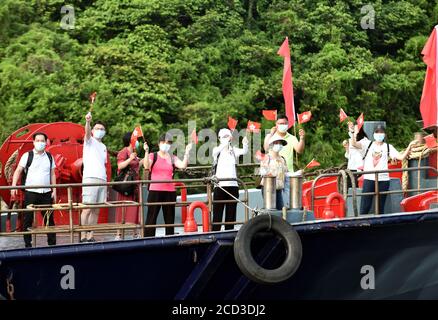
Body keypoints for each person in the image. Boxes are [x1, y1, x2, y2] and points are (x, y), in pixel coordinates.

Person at [351, 124, 414, 215]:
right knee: (365, 205)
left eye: (381, 132)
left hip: (383, 179)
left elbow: (401, 157)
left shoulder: (388, 147)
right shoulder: (367, 144)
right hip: (369, 178)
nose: (379, 134)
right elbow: (354, 144)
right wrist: (353, 132)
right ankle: (361, 223)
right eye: (377, 132)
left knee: (380, 206)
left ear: (384, 134)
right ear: (373, 134)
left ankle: (379, 223)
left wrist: (409, 146)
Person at [11, 132, 57, 248]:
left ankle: (52, 244)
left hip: (45, 193)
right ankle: (28, 244)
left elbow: (52, 174)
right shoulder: (27, 156)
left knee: (49, 220)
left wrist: (54, 190)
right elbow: (18, 170)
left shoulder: (49, 157)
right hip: (31, 193)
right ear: (33, 142)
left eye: (42, 141)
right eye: (37, 140)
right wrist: (13, 186)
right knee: (28, 219)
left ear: (46, 143)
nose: (40, 143)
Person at [143, 133, 192, 237]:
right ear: (159, 143)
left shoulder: (172, 157)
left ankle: (169, 238)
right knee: (151, 217)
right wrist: (146, 152)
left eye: (168, 143)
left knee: (169, 218)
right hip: (155, 190)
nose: (166, 144)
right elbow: (146, 166)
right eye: (163, 142)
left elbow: (182, 166)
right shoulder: (153, 155)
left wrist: (187, 152)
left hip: (169, 191)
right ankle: (148, 239)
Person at [263, 114, 305, 208]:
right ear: (276, 124)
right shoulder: (271, 136)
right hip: (274, 177)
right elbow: (266, 148)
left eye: (285, 123)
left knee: (289, 203)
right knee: (275, 206)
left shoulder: (292, 138)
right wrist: (270, 134)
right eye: (280, 123)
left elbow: (299, 150)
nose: (283, 125)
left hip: (287, 174)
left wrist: (302, 139)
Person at [211, 129, 248, 231]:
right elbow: (217, 150)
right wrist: (225, 142)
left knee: (231, 214)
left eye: (228, 136)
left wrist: (245, 143)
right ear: (219, 138)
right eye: (224, 136)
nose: (226, 138)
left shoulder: (233, 150)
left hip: (233, 185)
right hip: (220, 186)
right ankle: (215, 232)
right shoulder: (216, 150)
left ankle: (230, 233)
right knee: (217, 213)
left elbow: (244, 151)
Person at [81, 112, 108, 242]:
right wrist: (87, 121)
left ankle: (91, 235)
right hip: (90, 177)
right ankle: (83, 235)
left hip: (102, 179)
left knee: (96, 210)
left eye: (102, 129)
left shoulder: (103, 147)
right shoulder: (89, 141)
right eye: (97, 129)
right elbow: (86, 133)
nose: (100, 131)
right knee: (86, 208)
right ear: (92, 130)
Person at [114, 132, 146, 240]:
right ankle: (119, 234)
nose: (137, 142)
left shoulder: (135, 153)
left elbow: (139, 165)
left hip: (135, 185)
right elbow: (120, 165)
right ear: (130, 140)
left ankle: (135, 233)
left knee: (135, 209)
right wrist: (130, 158)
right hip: (126, 185)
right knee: (123, 208)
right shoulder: (123, 152)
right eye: (135, 140)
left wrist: (147, 152)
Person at [259, 134, 288, 210]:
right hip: (268, 188)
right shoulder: (266, 157)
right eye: (276, 143)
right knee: (270, 210)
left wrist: (297, 173)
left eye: (280, 143)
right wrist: (268, 173)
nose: (279, 145)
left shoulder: (282, 159)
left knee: (280, 210)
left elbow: (286, 173)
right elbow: (262, 171)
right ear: (271, 144)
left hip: (279, 188)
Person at [344, 121, 370, 187]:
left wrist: (352, 133)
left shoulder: (364, 141)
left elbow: (354, 144)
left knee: (357, 188)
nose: (353, 131)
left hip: (359, 168)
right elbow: (349, 155)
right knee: (349, 188)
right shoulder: (351, 139)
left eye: (355, 130)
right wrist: (346, 148)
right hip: (351, 167)